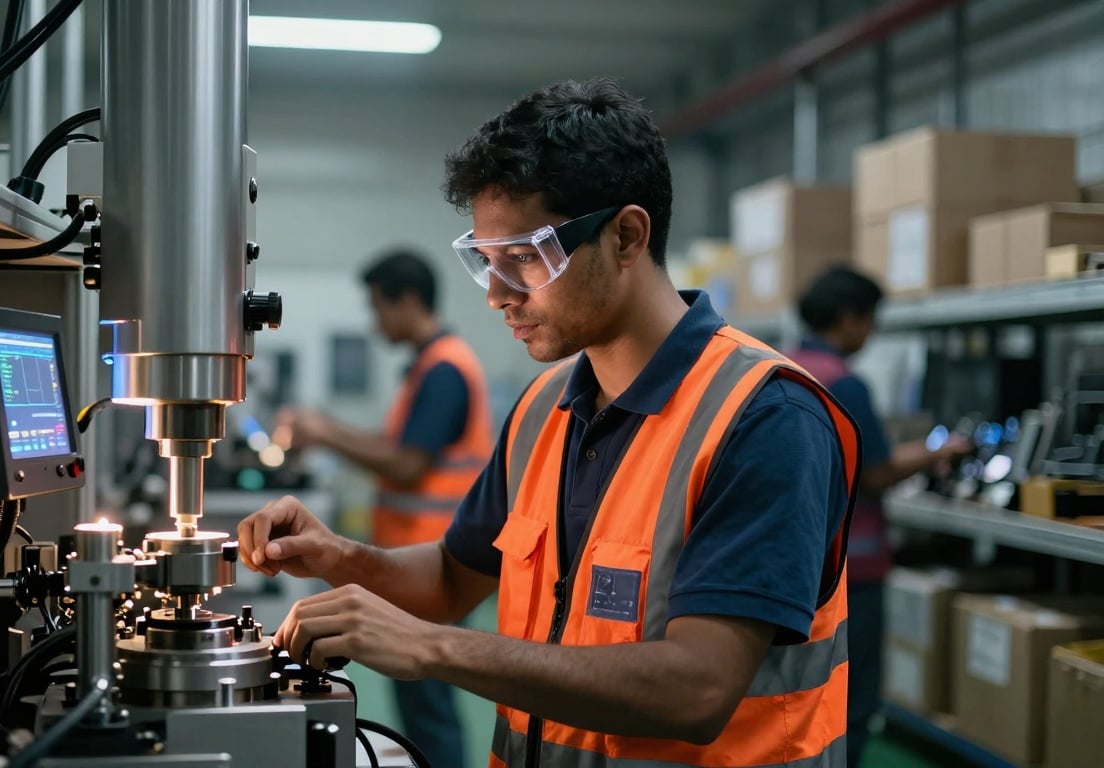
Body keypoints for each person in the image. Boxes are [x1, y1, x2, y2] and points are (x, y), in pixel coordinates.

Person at [242, 78, 861, 768]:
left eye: (525, 259)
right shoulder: (546, 408)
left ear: (626, 236)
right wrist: (342, 559)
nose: (499, 296)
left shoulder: (766, 416)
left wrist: (431, 648)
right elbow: (452, 579)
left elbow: (697, 688)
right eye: (485, 262)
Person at [273, 249, 492, 768]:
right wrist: (325, 429)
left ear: (409, 300)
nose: (375, 323)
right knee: (419, 698)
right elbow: (394, 446)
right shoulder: (427, 368)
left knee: (428, 702)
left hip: (435, 563)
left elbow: (406, 464)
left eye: (378, 308)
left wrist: (326, 433)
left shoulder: (445, 370)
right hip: (420, 559)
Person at [790, 266, 971, 768]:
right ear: (850, 319)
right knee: (852, 694)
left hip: (797, 560)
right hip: (852, 568)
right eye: (870, 321)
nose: (871, 333)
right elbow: (875, 472)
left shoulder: (783, 366)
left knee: (804, 693)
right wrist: (942, 451)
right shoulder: (844, 383)